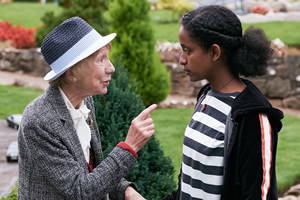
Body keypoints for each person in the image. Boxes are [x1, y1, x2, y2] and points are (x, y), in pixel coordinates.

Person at [18, 16, 157, 200]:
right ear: (72, 73)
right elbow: (80, 190)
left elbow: (93, 170)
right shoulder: (38, 121)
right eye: (101, 60)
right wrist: (129, 147)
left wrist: (126, 191)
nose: (112, 68)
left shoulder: (86, 101)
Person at [163, 5, 284, 200]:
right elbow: (190, 181)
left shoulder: (253, 116)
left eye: (187, 50)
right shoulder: (206, 96)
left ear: (214, 52)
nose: (181, 59)